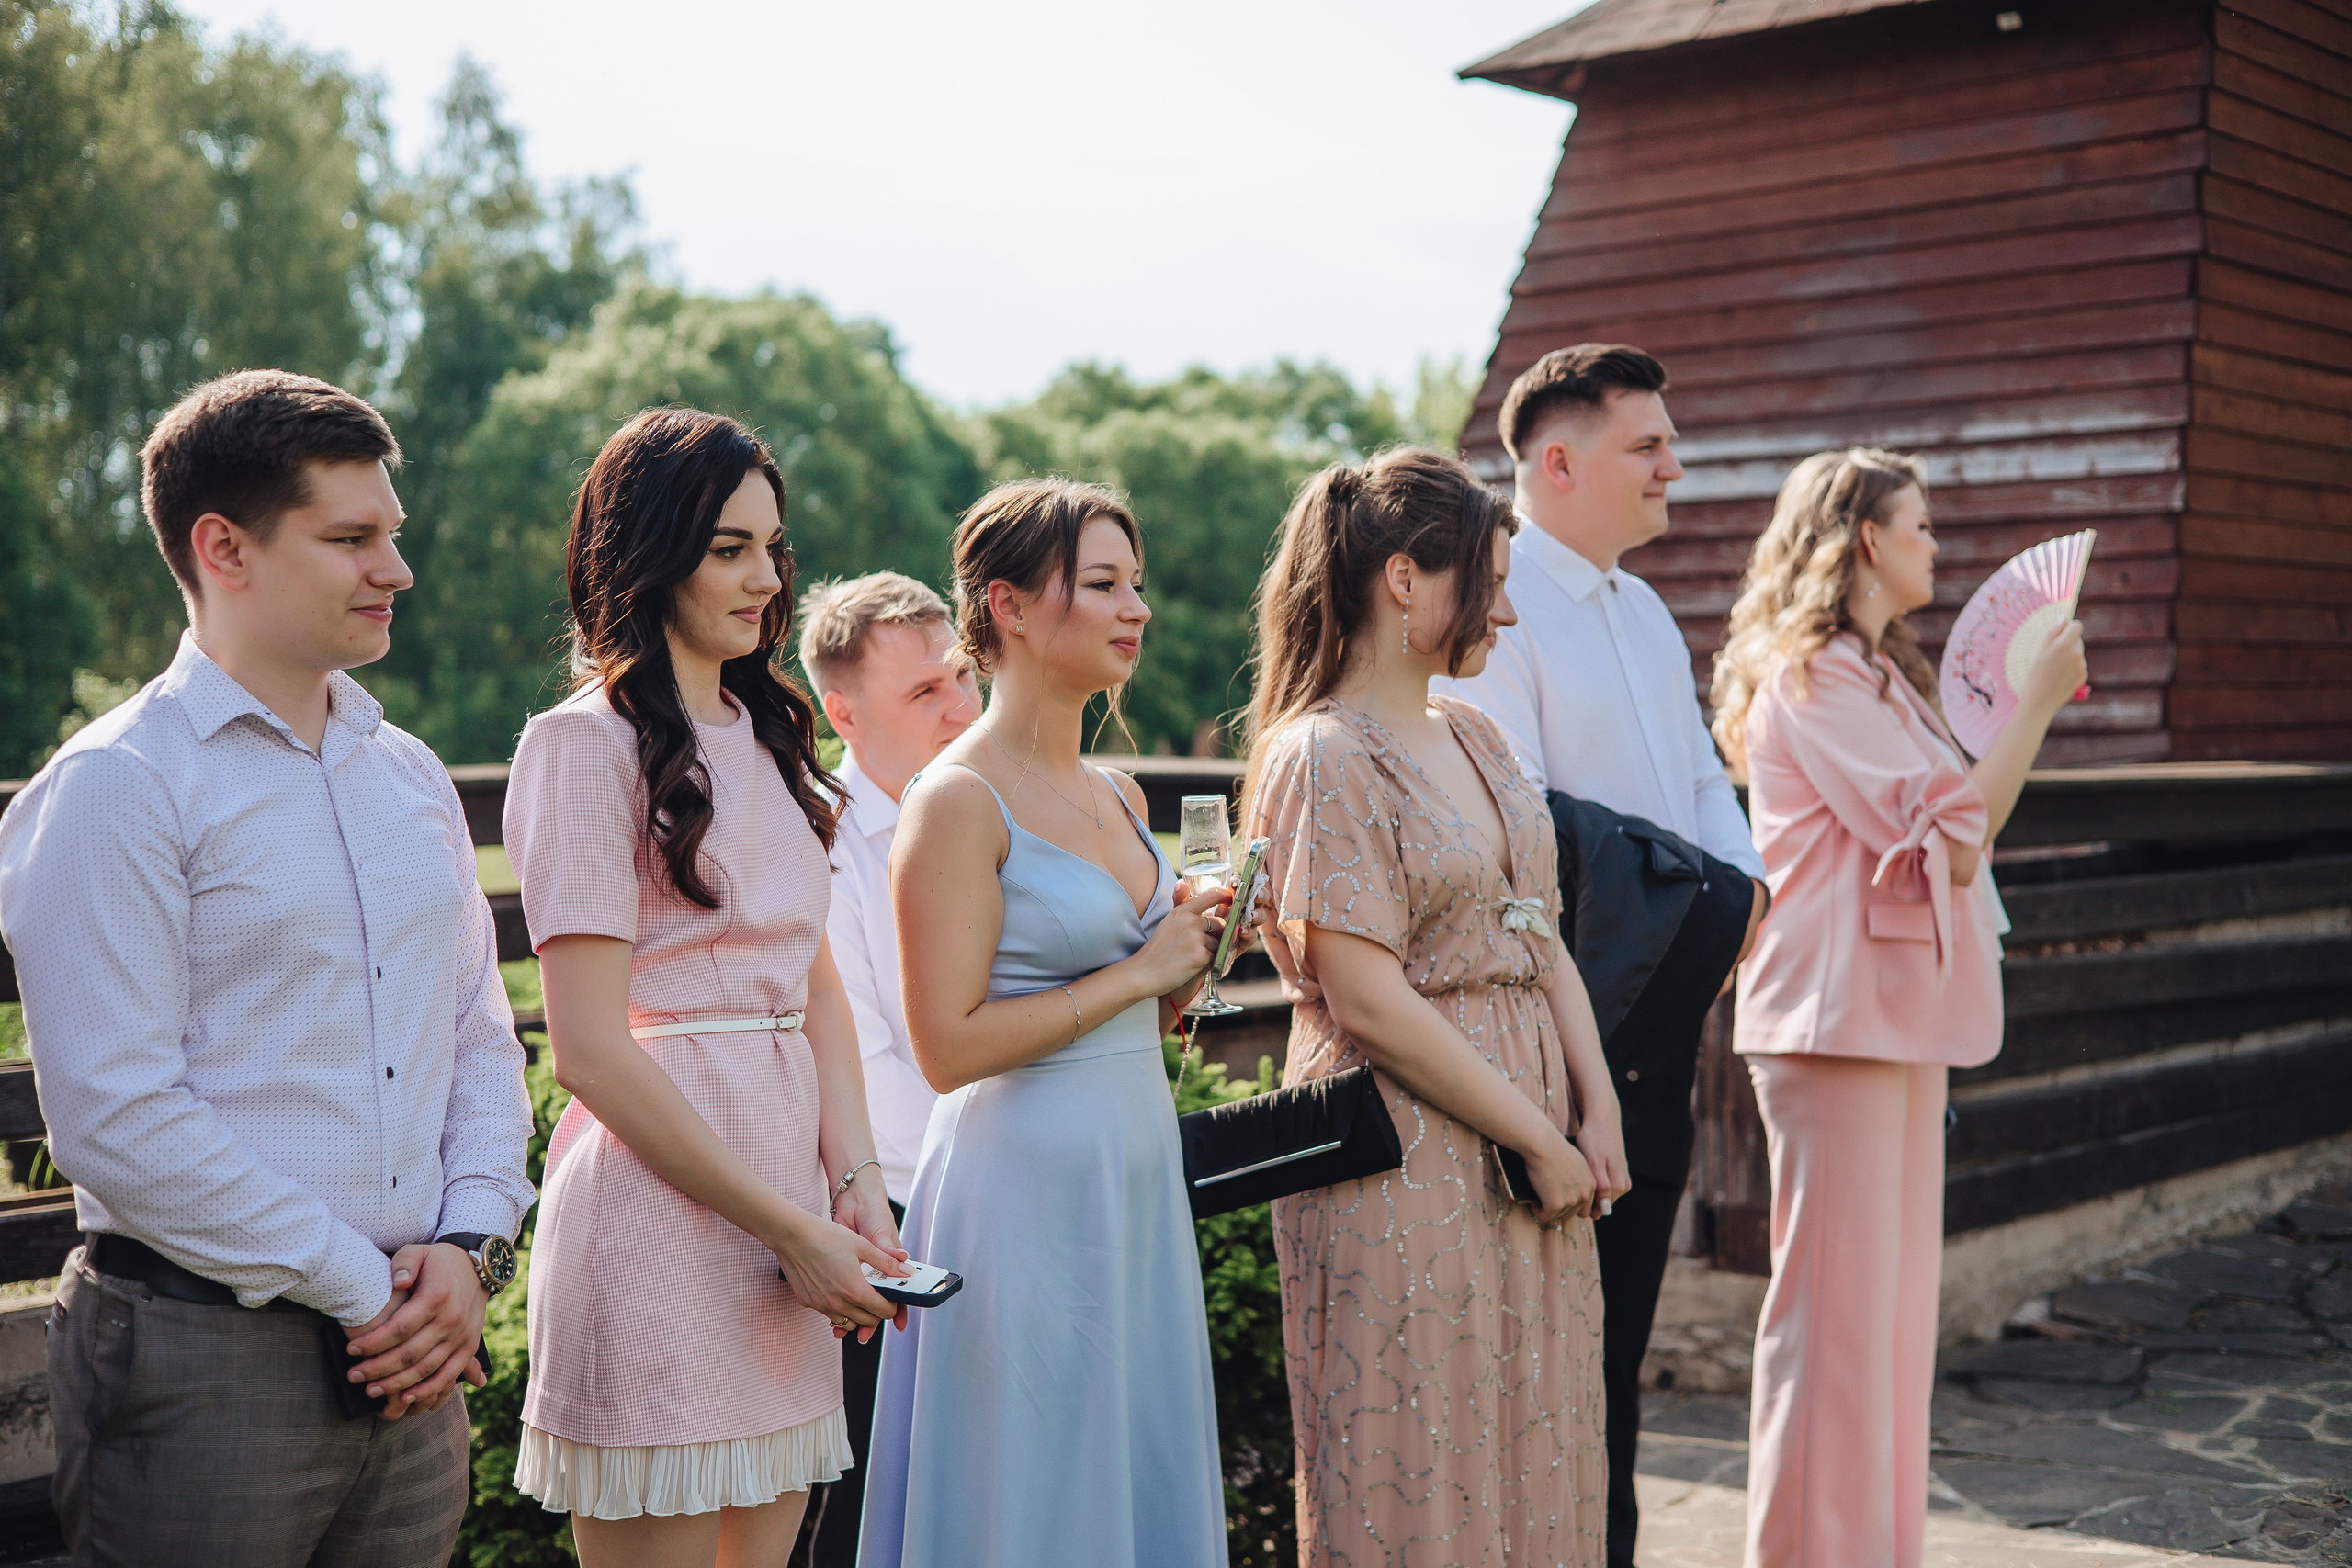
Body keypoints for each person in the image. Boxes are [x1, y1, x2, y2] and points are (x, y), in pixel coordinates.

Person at [0, 370, 535, 1565]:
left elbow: (481, 1042)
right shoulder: (115, 787)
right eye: (352, 538)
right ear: (223, 548)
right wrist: (366, 1285)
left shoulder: (412, 778)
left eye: (391, 535)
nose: (395, 570)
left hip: (417, 1357)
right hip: (205, 1363)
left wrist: (473, 1250)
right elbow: (116, 1119)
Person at [504, 408, 909, 1568]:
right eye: (730, 547)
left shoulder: (768, 733)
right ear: (649, 549)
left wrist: (857, 1192)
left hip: (793, 1215)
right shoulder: (584, 746)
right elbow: (586, 1046)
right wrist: (788, 1224)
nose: (767, 578)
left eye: (774, 547)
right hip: (661, 1214)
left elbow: (814, 984)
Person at [1244, 446, 1629, 1567]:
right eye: (1486, 581)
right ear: (1404, 578)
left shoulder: (1478, 735)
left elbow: (1539, 935)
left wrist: (1594, 1114)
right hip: (1399, 1145)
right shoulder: (1322, 753)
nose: (1505, 611)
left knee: (1534, 1438)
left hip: (1534, 1135)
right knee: (1415, 1453)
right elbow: (1365, 998)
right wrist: (1534, 1133)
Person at [1709, 448, 2086, 1568]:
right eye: (1919, 525)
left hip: (1889, 1021)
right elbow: (1959, 836)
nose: (1935, 547)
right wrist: (2033, 708)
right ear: (1866, 537)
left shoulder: (1872, 676)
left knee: (1885, 1322)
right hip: (1835, 1031)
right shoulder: (1812, 676)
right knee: (1830, 1324)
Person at [1435, 342, 1770, 1567]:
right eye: (1650, 444)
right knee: (1540, 1353)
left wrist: (1747, 902)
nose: (1674, 465)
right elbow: (1522, 818)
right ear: (1559, 461)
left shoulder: (1646, 611)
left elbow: (1699, 779)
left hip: (1667, 1011)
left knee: (1619, 1349)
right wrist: (1704, 906)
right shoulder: (1499, 607)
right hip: (1553, 1018)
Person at [860, 479, 1230, 1568]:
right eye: (1104, 583)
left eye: (1139, 586)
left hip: (1132, 1167)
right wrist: (1136, 976)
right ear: (1010, 607)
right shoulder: (955, 800)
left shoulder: (1117, 791)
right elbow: (947, 1046)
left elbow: (1142, 1005)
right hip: (1018, 1186)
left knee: (1129, 1460)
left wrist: (1185, 968)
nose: (1137, 609)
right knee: (1029, 1492)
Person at [791, 572, 980, 1566]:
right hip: (888, 1217)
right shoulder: (819, 847)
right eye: (925, 694)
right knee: (864, 1514)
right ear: (843, 714)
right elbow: (925, 1045)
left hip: (994, 1190)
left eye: (960, 677)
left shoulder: (997, 808)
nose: (960, 706)